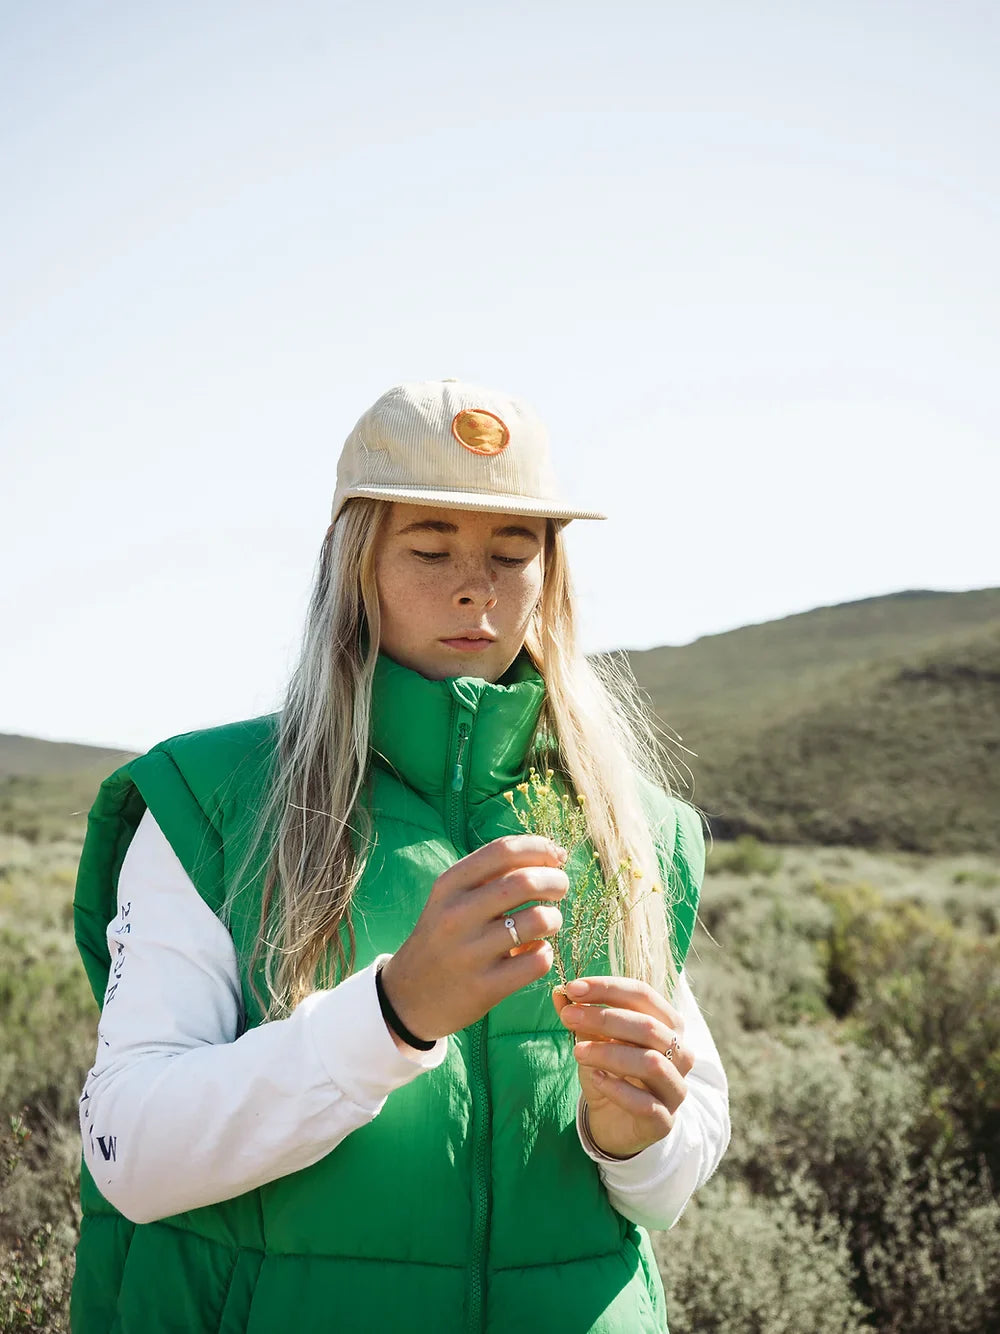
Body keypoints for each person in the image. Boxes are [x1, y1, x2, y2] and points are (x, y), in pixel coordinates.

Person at [72, 378, 731, 1334]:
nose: (477, 587)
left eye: (515, 552)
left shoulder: (634, 824)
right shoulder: (213, 801)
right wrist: (391, 1016)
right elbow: (129, 1151)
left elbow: (668, 1183)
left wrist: (638, 1144)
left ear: (552, 575)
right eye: (431, 549)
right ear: (355, 565)